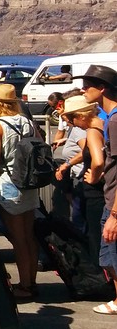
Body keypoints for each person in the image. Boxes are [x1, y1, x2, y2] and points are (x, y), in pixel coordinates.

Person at [73, 66, 117, 329]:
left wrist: (114, 214)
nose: (83, 90)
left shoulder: (114, 120)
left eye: (88, 85)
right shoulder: (109, 119)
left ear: (102, 88)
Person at [0, 83, 39, 299]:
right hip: (28, 182)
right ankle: (31, 281)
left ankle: (25, 285)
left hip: (9, 183)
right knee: (29, 236)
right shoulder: (27, 122)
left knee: (18, 239)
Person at [57, 96, 105, 264]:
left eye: (72, 119)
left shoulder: (92, 131)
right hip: (104, 189)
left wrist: (94, 177)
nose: (73, 124)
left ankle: (99, 274)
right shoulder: (105, 124)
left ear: (81, 116)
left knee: (95, 237)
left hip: (95, 192)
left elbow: (98, 161)